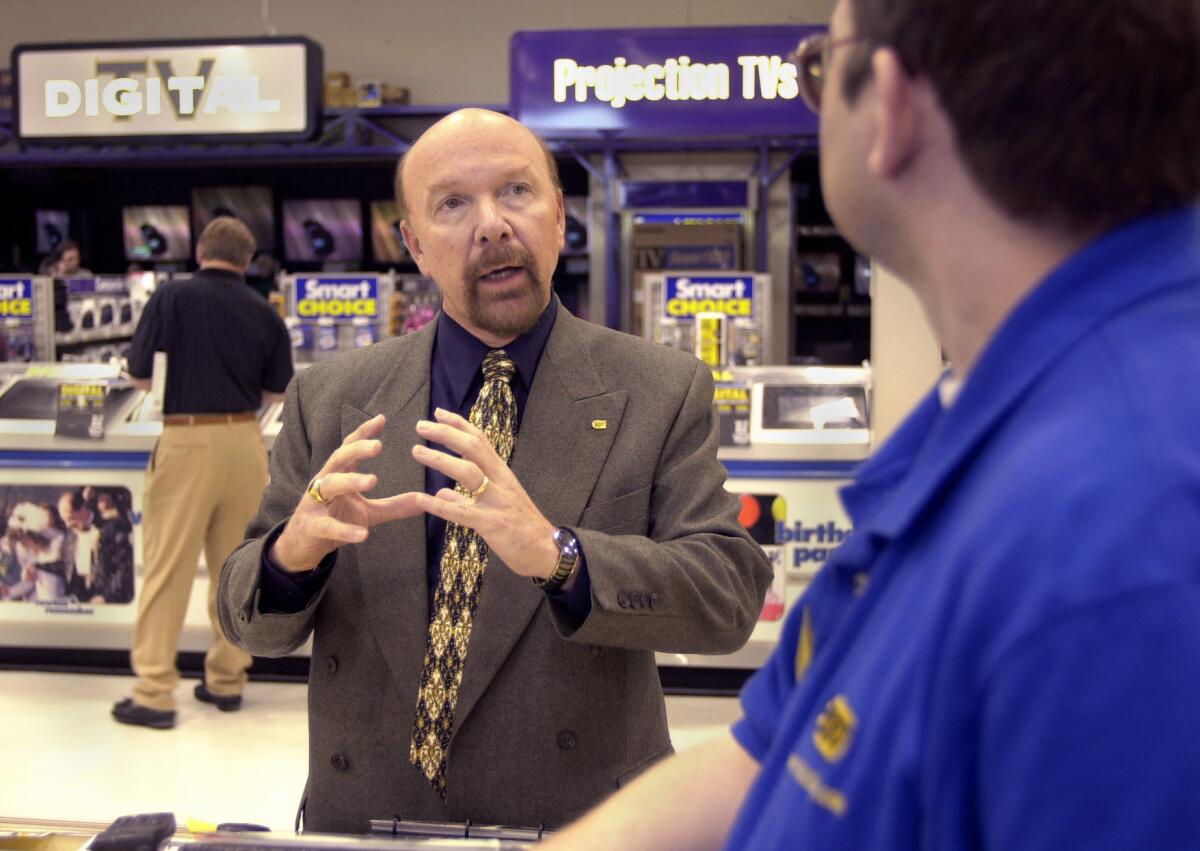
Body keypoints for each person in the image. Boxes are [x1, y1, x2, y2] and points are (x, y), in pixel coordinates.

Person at [542, 1, 1200, 849]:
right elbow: (774, 751)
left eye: (818, 66)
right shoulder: (983, 418)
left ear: (889, 107)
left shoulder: (1125, 540)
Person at [217, 108, 772, 833]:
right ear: (414, 245)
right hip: (364, 818)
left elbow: (729, 596)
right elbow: (242, 616)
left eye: (516, 191)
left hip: (581, 823)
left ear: (560, 217)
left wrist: (560, 555)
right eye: (453, 203)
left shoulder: (659, 388)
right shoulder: (333, 398)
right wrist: (293, 556)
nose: (492, 224)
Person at [112, 216, 294, 730]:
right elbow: (279, 391)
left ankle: (153, 692)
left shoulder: (170, 299)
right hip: (244, 442)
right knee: (234, 569)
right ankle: (227, 679)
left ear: (199, 251)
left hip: (187, 439)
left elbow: (141, 374)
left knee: (168, 565)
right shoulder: (264, 312)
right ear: (248, 260)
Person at [57, 489, 134, 604]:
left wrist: (106, 597)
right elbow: (68, 569)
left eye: (70, 518)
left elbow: (124, 568)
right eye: (64, 521)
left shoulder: (112, 528)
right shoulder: (70, 536)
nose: (68, 525)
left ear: (83, 509)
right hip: (82, 599)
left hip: (109, 600)